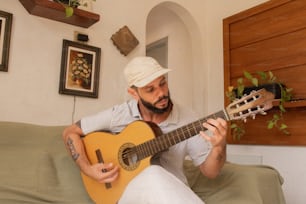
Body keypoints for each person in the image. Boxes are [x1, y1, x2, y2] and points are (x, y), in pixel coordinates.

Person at [62, 56, 228, 204]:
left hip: (172, 194)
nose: (161, 93)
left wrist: (219, 147)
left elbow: (210, 172)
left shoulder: (188, 119)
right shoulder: (120, 114)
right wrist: (88, 169)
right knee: (152, 173)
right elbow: (70, 132)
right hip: (124, 194)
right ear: (134, 93)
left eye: (163, 83)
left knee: (154, 174)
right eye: (150, 89)